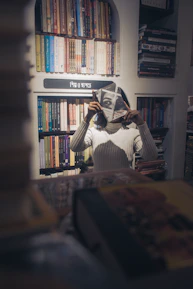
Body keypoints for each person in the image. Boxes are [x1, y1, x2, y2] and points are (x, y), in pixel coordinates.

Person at [70, 88, 158, 172]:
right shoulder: (94, 132)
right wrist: (88, 117)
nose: (112, 108)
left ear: (124, 105)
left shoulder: (133, 133)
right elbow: (75, 147)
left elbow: (151, 157)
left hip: (124, 186)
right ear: (101, 106)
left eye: (116, 102)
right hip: (100, 186)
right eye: (107, 103)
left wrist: (141, 124)